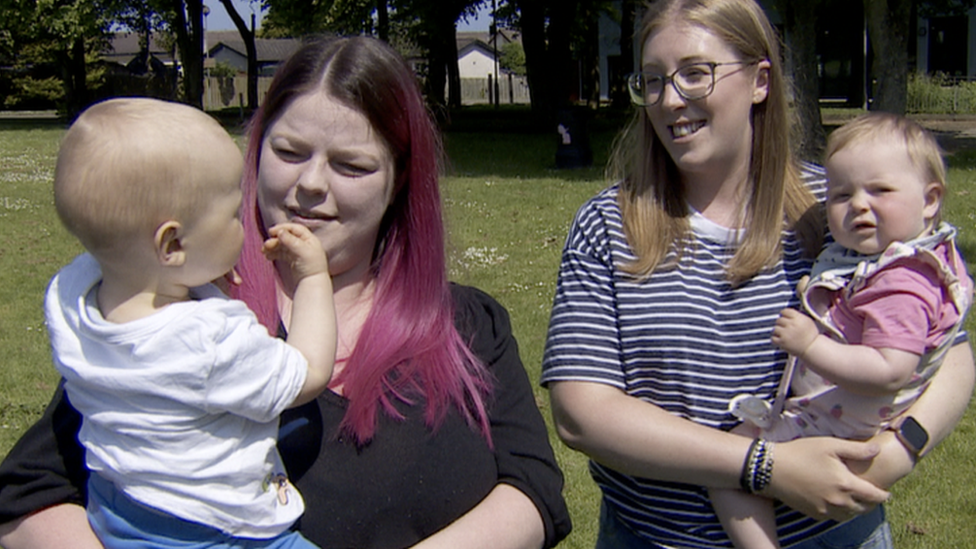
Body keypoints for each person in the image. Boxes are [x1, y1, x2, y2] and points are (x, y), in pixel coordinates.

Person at [0, 36, 571, 549]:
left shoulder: (468, 323)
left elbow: (533, 489)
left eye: (351, 165)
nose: (311, 185)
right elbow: (27, 494)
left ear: (399, 181)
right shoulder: (174, 312)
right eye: (289, 152)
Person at [540, 0, 975, 548]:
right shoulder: (609, 226)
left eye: (695, 74)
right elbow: (584, 415)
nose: (670, 99)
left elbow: (950, 347)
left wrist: (899, 450)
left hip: (834, 536)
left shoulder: (836, 208)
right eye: (652, 81)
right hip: (658, 539)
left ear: (760, 80)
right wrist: (763, 467)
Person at [45, 97, 336, 548]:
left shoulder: (73, 300)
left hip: (117, 510)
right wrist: (314, 278)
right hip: (213, 529)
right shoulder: (209, 340)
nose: (245, 226)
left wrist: (192, 273)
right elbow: (308, 373)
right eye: (233, 215)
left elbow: (135, 272)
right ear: (172, 243)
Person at [708, 112, 973, 548]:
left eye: (880, 190)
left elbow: (890, 369)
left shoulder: (903, 282)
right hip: (846, 421)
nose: (859, 205)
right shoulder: (893, 259)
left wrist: (811, 344)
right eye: (841, 194)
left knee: (733, 463)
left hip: (841, 424)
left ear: (930, 200)